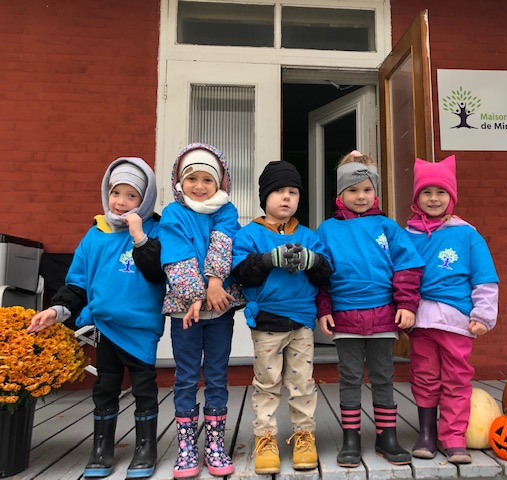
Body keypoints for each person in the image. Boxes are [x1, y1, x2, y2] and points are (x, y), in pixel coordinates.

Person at [28, 157, 166, 479]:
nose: (121, 202)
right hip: (106, 327)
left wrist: (139, 236)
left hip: (141, 328)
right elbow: (77, 282)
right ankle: (101, 448)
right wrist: (57, 310)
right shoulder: (95, 235)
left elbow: (157, 273)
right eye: (116, 193)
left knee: (144, 387)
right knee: (105, 386)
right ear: (107, 192)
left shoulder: (155, 229)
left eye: (132, 195)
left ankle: (146, 447)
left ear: (144, 199)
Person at [316, 150, 424, 468]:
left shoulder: (387, 227)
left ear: (375, 192)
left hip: (383, 315)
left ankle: (386, 436)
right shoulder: (327, 230)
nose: (360, 196)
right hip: (346, 316)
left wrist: (406, 303)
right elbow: (320, 275)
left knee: (383, 376)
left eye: (367, 189)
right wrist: (324, 309)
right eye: (353, 190)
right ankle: (351, 438)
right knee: (349, 377)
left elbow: (407, 266)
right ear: (340, 194)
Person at [231, 161, 331, 475]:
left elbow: (326, 275)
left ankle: (304, 436)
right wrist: (266, 259)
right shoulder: (249, 235)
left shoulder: (309, 236)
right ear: (264, 197)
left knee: (303, 383)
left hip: (301, 323)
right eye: (278, 191)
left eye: (292, 192)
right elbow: (241, 274)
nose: (286, 198)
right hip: (267, 323)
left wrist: (313, 260)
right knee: (267, 383)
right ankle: (265, 439)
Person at [405, 155, 499, 464]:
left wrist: (483, 315)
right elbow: (398, 276)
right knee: (424, 376)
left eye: (440, 192)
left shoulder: (467, 234)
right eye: (426, 192)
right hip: (420, 322)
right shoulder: (407, 236)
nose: (433, 199)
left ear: (452, 196)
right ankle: (427, 434)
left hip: (457, 321)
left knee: (457, 379)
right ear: (417, 197)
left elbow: (484, 277)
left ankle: (454, 436)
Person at [159, 143, 244, 479]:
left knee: (218, 375)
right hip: (185, 311)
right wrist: (194, 293)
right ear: (180, 182)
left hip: (219, 306)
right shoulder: (173, 214)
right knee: (186, 375)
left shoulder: (225, 210)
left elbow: (224, 242)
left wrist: (213, 283)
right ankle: (186, 446)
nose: (199, 185)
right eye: (191, 178)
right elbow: (177, 255)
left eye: (207, 179)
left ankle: (215, 443)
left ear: (219, 183)